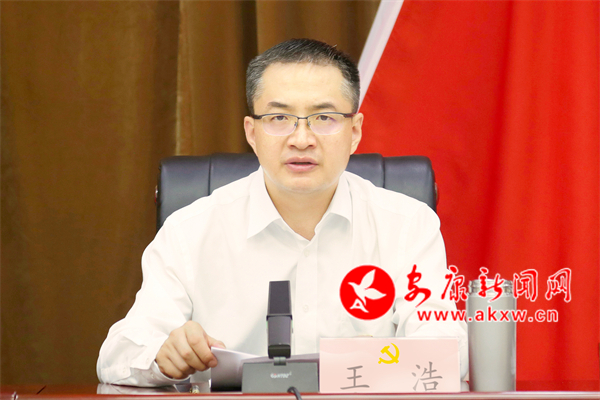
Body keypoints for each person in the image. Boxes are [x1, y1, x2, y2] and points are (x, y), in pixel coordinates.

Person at [97, 38, 467, 387]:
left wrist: (369, 361)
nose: (301, 139)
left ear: (354, 132)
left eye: (324, 118)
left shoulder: (407, 226)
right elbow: (119, 352)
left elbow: (449, 349)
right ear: (252, 133)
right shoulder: (190, 231)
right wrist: (163, 356)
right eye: (278, 118)